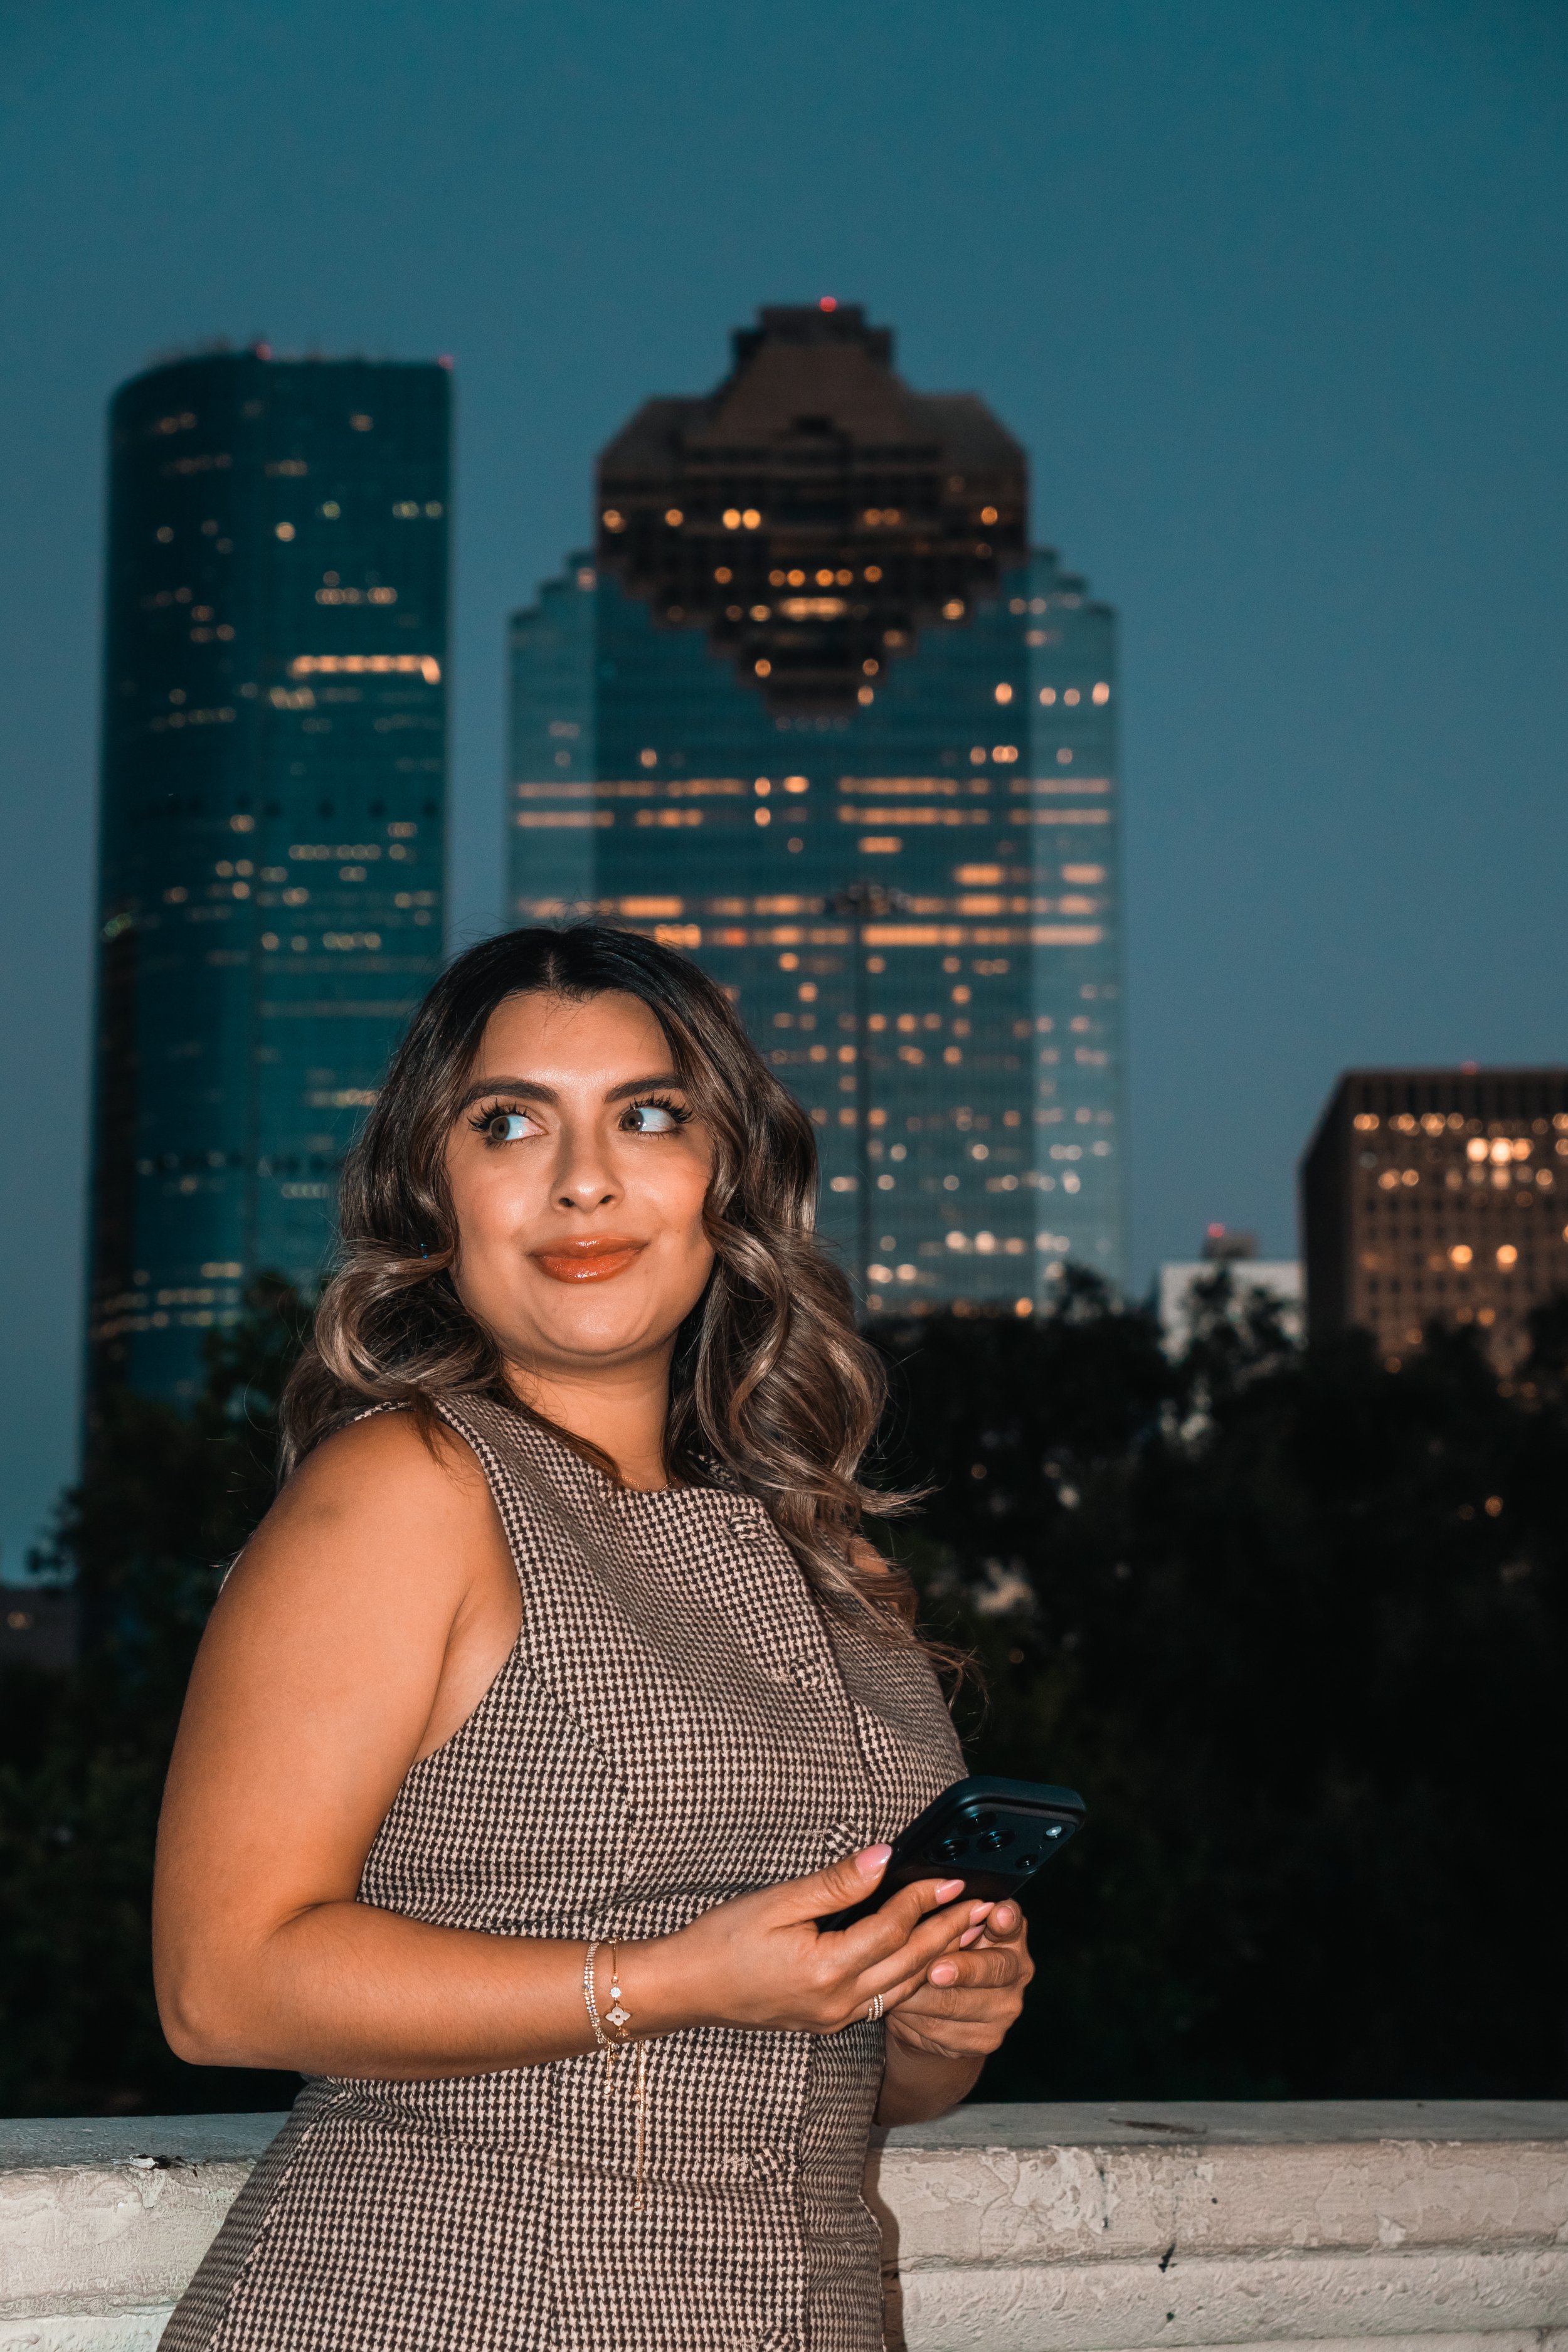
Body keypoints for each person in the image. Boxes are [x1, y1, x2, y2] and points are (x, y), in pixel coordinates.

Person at [154, 924, 1034, 2352]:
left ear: (723, 1179)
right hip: (443, 2304)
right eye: (507, 1124)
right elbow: (219, 1983)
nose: (582, 1180)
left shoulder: (836, 1561)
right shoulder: (408, 1487)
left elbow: (812, 2063)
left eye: (648, 1116)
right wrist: (670, 1977)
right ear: (435, 1195)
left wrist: (934, 2025)